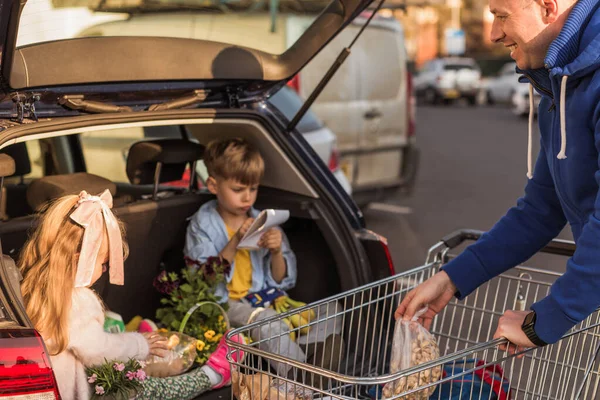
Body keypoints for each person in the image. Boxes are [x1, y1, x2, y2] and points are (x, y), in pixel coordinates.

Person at [397, 0, 600, 352]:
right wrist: (453, 278)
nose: (493, 34)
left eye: (501, 16)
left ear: (548, 8)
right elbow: (541, 207)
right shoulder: (560, 81)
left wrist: (547, 319)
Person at [19, 190, 244, 400]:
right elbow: (99, 351)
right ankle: (212, 374)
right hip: (86, 394)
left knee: (130, 368)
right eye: (103, 262)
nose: (105, 269)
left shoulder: (29, 286)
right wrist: (139, 345)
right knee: (144, 388)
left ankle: (152, 348)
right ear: (79, 259)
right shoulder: (76, 300)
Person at [184, 138, 344, 379]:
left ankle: (306, 353)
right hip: (227, 305)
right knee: (265, 320)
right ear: (214, 185)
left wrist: (277, 251)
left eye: (253, 189)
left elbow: (282, 281)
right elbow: (204, 279)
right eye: (238, 190)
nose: (247, 198)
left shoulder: (263, 220)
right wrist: (236, 240)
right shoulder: (202, 225)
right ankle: (300, 378)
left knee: (333, 308)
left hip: (266, 298)